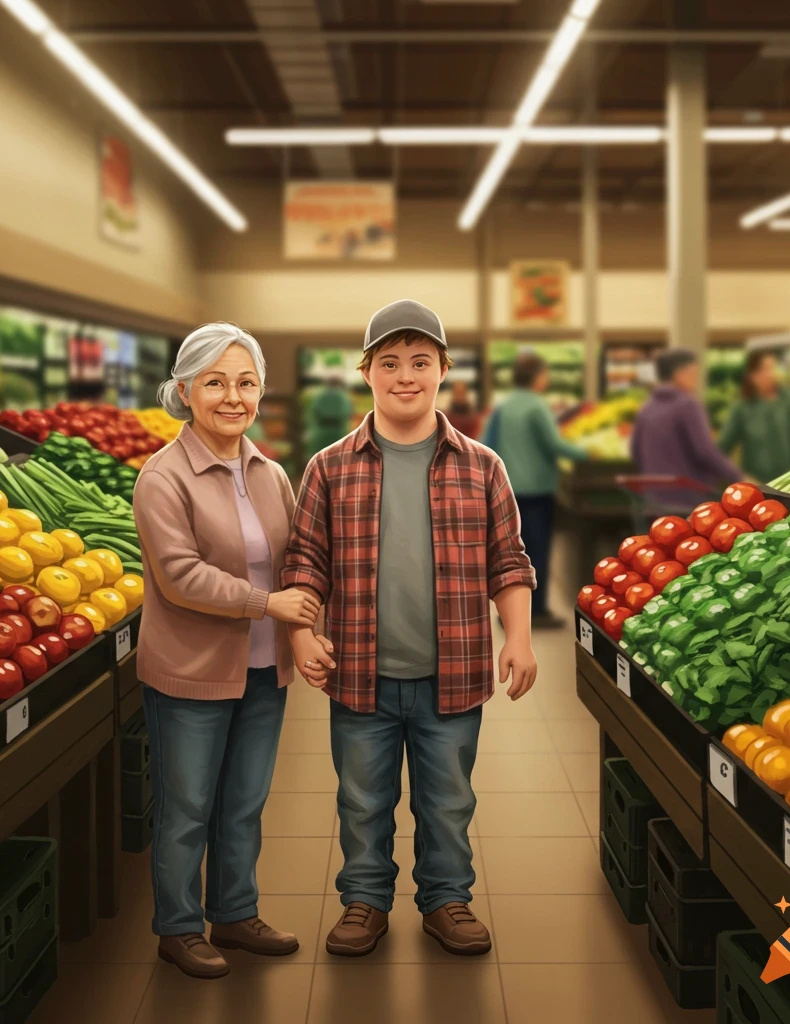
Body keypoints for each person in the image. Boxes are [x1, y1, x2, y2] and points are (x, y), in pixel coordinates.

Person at [281, 299, 537, 959]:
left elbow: (508, 561)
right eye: (389, 362)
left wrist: (519, 636)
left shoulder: (482, 466)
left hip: (452, 675)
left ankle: (446, 900)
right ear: (365, 372)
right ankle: (364, 903)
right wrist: (303, 634)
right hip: (359, 675)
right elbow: (305, 560)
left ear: (444, 369)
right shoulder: (328, 467)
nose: (405, 375)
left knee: (447, 802)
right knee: (362, 802)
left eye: (420, 361)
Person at [132, 322, 331, 980]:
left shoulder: (270, 473)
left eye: (245, 382)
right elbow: (178, 575)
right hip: (189, 674)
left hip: (262, 672)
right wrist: (266, 604)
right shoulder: (163, 478)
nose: (232, 396)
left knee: (244, 801)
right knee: (187, 807)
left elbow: (298, 559)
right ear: (185, 391)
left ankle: (236, 912)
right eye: (215, 382)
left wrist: (302, 628)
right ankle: (179, 927)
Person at [480, 350, 588, 629]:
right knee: (536, 551)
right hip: (537, 490)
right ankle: (535, 612)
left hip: (508, 490)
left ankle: (509, 612)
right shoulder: (537, 406)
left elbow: (485, 443)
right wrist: (587, 453)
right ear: (537, 377)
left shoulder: (503, 406)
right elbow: (555, 445)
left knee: (511, 551)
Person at [631, 348, 741, 513]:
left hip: (654, 502)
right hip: (689, 501)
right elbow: (704, 452)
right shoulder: (688, 405)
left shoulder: (647, 407)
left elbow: (636, 451)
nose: (696, 380)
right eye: (693, 374)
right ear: (679, 373)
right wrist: (737, 477)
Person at [717, 351, 790, 485]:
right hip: (757, 487)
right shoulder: (742, 408)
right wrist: (738, 476)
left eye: (772, 368)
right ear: (752, 376)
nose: (770, 374)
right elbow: (722, 449)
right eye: (763, 369)